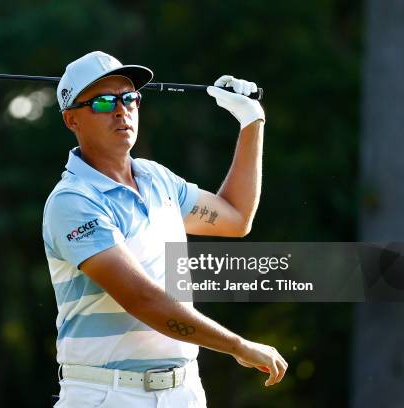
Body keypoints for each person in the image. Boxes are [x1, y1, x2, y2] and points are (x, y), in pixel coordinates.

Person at [42, 51, 287, 408]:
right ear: (71, 120)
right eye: (103, 101)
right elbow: (143, 299)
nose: (120, 109)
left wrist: (251, 121)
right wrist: (237, 345)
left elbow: (236, 217)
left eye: (129, 98)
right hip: (107, 394)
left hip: (184, 391)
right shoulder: (73, 201)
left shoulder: (157, 179)